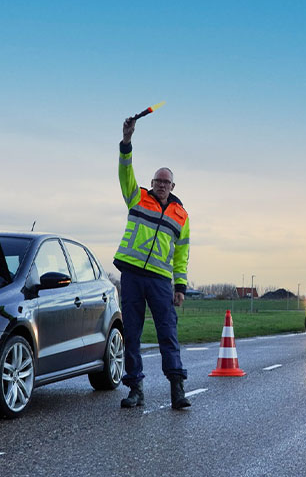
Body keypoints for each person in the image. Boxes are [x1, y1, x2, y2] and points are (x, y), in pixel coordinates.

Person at [114, 115, 191, 409]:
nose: (161, 185)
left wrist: (180, 285)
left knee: (167, 335)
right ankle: (135, 390)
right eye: (157, 181)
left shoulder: (182, 216)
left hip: (160, 281)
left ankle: (177, 389)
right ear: (151, 183)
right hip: (132, 277)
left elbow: (182, 254)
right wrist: (126, 141)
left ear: (173, 185)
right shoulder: (136, 197)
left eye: (166, 182)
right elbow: (124, 171)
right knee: (131, 334)